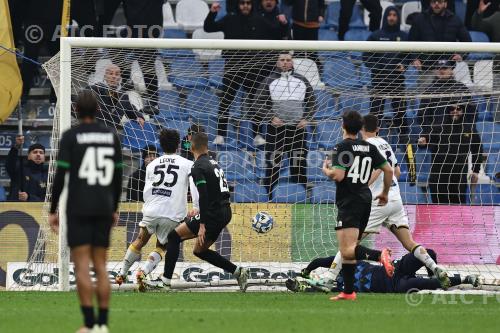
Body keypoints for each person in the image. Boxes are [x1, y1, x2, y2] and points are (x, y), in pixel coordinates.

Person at [319, 114, 450, 290]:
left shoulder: (364, 146)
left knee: (350, 244)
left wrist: (363, 185)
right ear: (377, 128)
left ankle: (329, 277)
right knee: (409, 243)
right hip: (395, 199)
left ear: (361, 129)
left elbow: (379, 171)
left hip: (376, 200)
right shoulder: (385, 143)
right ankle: (435, 268)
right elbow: (396, 172)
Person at [48, 90, 123, 333]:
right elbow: (118, 176)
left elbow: (61, 176)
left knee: (81, 265)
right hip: (103, 205)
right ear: (99, 110)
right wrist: (114, 208)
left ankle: (89, 324)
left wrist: (53, 208)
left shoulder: (71, 136)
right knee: (100, 265)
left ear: (76, 111)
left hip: (78, 206)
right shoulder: (111, 136)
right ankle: (103, 324)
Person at [158, 132, 249, 291]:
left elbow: (204, 196)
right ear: (206, 146)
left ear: (192, 146)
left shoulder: (197, 166)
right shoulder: (214, 163)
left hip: (212, 213)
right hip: (225, 211)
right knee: (199, 250)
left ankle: (165, 281)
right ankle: (238, 272)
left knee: (173, 236)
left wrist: (202, 225)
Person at [321, 110, 394, 301]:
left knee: (346, 249)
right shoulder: (368, 147)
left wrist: (327, 171)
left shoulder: (342, 147)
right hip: (365, 199)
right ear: (360, 128)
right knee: (350, 251)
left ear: (343, 126)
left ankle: (379, 256)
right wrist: (385, 192)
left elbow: (339, 175)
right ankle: (348, 291)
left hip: (349, 201)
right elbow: (388, 169)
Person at [116, 129, 199, 291]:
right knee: (162, 246)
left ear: (161, 145)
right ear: (178, 145)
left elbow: (148, 187)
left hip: (152, 209)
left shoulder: (152, 164)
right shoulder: (187, 164)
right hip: (172, 212)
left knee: (140, 240)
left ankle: (122, 272)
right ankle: (144, 271)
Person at [204, 0, 282, 146]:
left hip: (253, 68)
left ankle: (258, 135)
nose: (245, 6)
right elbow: (208, 27)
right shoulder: (230, 18)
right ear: (237, 5)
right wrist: (213, 12)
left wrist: (283, 23)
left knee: (255, 101)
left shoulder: (259, 19)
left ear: (252, 5)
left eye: (248, 3)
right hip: (233, 67)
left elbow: (277, 32)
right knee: (226, 101)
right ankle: (220, 135)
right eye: (242, 3)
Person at [254, 53, 316, 196]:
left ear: (292, 62)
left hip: (297, 130)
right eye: (282, 60)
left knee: (299, 162)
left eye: (288, 60)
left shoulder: (302, 80)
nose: (285, 63)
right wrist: (270, 117)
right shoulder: (268, 80)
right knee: (273, 163)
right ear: (277, 63)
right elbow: (257, 102)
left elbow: (312, 101)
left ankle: (300, 194)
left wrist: (306, 118)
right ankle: (268, 194)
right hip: (275, 131)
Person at [287, 249, 481, 293]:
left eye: (318, 274)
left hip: (395, 269)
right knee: (424, 284)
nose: (321, 276)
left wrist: (306, 270)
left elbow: (320, 261)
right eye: (316, 277)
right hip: (395, 286)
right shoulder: (336, 287)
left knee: (427, 253)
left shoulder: (343, 263)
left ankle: (436, 273)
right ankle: (467, 278)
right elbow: (312, 289)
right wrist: (298, 285)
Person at [418, 103, 484, 204]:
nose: (455, 111)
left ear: (463, 111)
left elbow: (477, 150)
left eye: (458, 109)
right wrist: (422, 141)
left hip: (458, 177)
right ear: (448, 111)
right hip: (438, 177)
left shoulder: (469, 129)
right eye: (452, 109)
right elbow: (426, 139)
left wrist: (475, 170)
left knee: (458, 212)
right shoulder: (439, 127)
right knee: (438, 210)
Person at [362, 6, 409, 141]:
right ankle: (371, 140)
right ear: (385, 17)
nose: (392, 17)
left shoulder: (404, 36)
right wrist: (380, 68)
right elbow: (366, 57)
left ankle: (405, 141)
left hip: (397, 82)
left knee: (400, 113)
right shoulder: (375, 35)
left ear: (398, 18)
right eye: (390, 15)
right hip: (378, 82)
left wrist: (404, 65)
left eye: (395, 15)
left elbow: (410, 56)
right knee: (375, 115)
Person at [408, 0, 471, 91]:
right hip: (427, 68)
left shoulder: (455, 19)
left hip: (448, 69)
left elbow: (467, 41)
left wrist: (461, 54)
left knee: (448, 100)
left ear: (445, 3)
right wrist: (414, 58)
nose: (436, 4)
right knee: (426, 101)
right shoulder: (419, 19)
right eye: (434, 1)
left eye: (440, 1)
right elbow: (411, 42)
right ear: (430, 3)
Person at [20, 0, 63, 105]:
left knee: (58, 60)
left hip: (55, 20)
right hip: (33, 20)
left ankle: (56, 95)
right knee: (29, 59)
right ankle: (22, 94)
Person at [418, 60, 473, 136]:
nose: (441, 71)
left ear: (451, 70)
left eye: (444, 68)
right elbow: (422, 115)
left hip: (460, 132)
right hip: (438, 134)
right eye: (439, 68)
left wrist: (466, 128)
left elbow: (471, 111)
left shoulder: (461, 88)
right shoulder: (429, 90)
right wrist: (432, 131)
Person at [89, 63, 145, 129]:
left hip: (111, 127)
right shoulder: (95, 88)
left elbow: (130, 109)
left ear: (120, 78)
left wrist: (139, 116)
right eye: (111, 73)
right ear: (105, 76)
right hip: (95, 126)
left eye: (117, 74)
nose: (114, 76)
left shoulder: (122, 96)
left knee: (124, 98)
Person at [471, 0, 500, 122]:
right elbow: (477, 26)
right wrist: (479, 13)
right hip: (499, 68)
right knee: (498, 105)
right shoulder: (496, 18)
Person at [6, 136, 47, 202]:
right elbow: (10, 163)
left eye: (41, 152)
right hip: (16, 210)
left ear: (44, 158)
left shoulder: (48, 175)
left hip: (37, 211)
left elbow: (47, 200)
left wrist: (29, 197)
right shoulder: (19, 169)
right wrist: (16, 147)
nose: (38, 154)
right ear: (28, 156)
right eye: (35, 152)